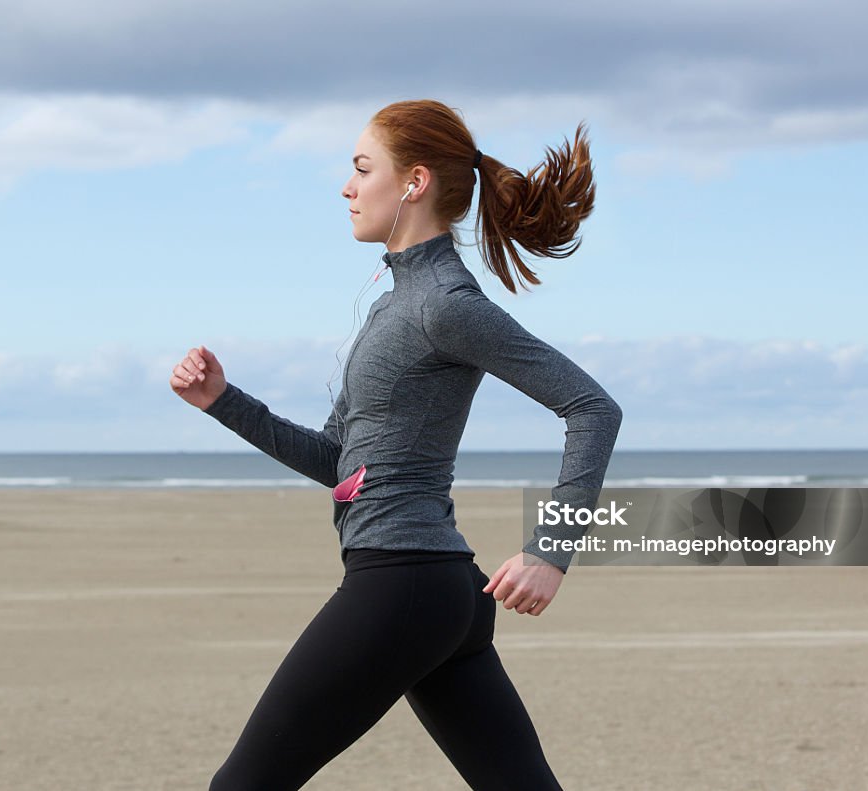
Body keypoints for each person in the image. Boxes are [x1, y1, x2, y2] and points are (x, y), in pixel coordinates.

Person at [170, 99, 623, 791]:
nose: (347, 187)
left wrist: (549, 550)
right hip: (437, 591)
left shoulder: (445, 303)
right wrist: (223, 402)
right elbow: (337, 462)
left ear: (412, 182)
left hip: (404, 583)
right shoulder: (394, 305)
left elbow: (593, 407)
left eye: (361, 168)